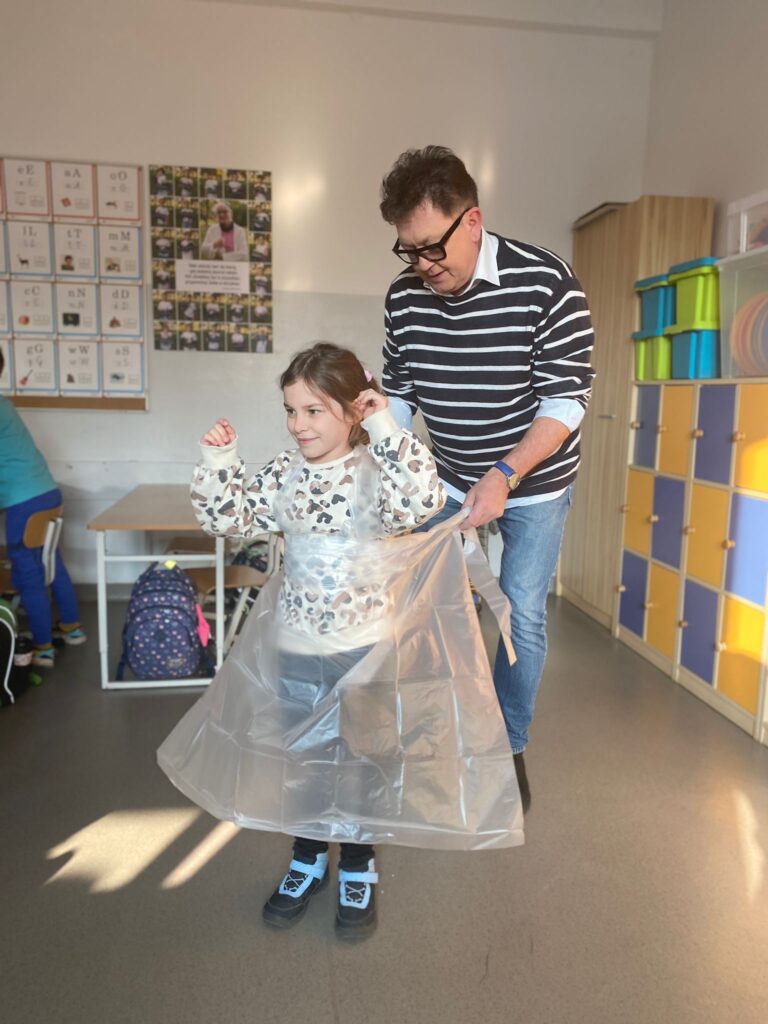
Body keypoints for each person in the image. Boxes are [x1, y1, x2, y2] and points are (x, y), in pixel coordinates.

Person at [158, 342, 524, 942]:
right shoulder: (285, 472)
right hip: (297, 647)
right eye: (290, 410)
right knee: (304, 761)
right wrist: (219, 458)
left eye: (313, 411)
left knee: (363, 764)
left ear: (353, 411)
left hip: (366, 652)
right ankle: (306, 860)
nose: (298, 425)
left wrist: (384, 426)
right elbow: (228, 519)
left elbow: (422, 501)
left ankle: (357, 865)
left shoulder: (377, 472)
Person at [379, 146, 596, 811]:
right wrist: (386, 460)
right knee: (431, 608)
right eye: (408, 250)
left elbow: (566, 400)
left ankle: (509, 744)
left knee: (519, 610)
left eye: (432, 247)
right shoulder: (405, 297)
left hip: (534, 480)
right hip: (448, 474)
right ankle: (439, 736)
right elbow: (399, 393)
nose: (422, 264)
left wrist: (504, 474)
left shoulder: (547, 282)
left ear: (472, 221)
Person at [0, 350, 86, 668]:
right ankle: (72, 628)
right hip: (47, 493)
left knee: (27, 570)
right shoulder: (5, 404)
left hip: (23, 500)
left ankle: (42, 646)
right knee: (50, 561)